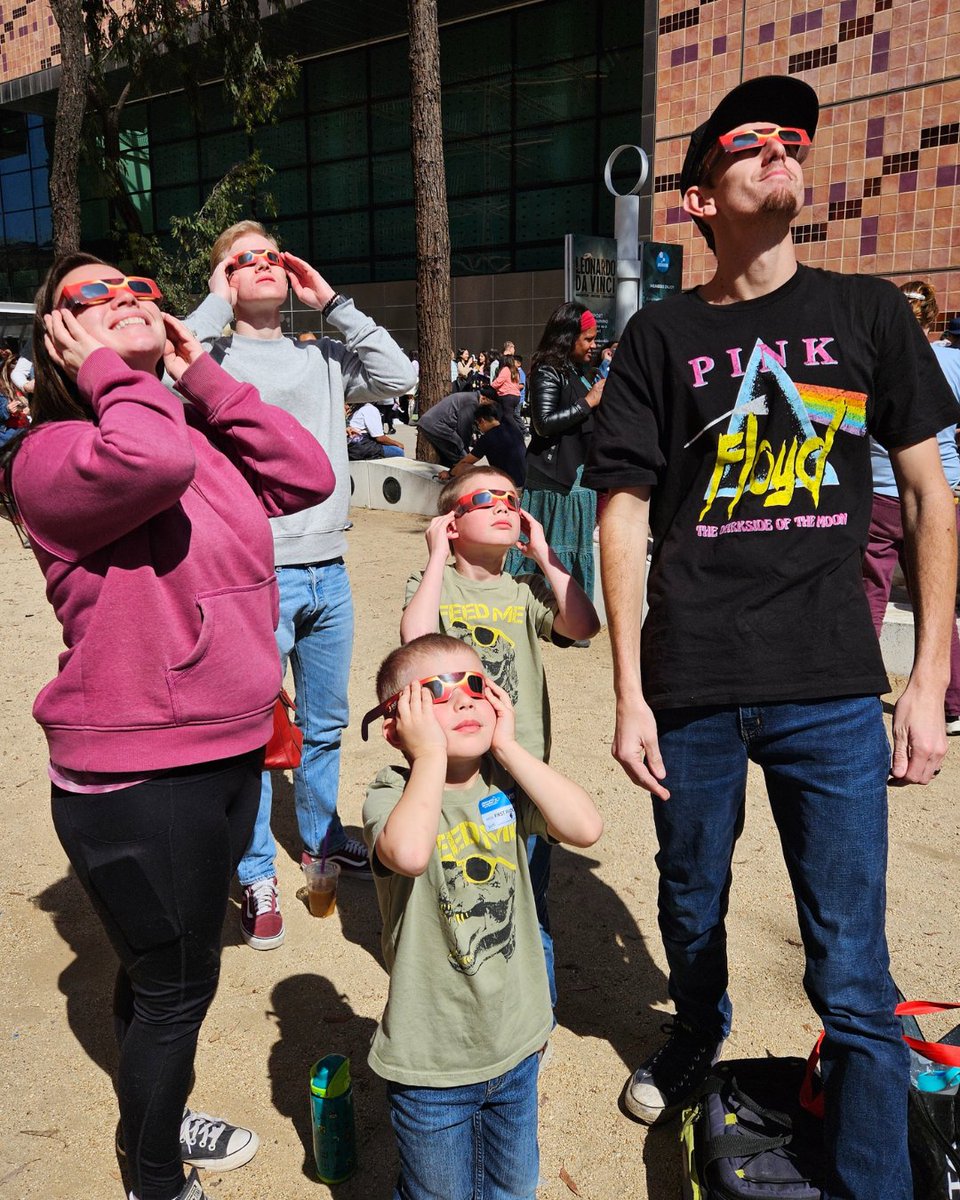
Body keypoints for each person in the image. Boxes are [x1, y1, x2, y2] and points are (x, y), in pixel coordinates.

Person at [582, 75, 959, 1200]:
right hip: (691, 680)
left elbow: (931, 497)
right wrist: (628, 691)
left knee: (853, 966)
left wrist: (928, 672)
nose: (779, 153)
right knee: (689, 900)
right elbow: (623, 512)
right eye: (747, 145)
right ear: (696, 199)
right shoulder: (661, 335)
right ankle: (697, 1029)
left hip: (830, 685)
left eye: (792, 141)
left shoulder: (869, 315)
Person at [3, 253, 334, 1200]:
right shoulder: (51, 455)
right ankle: (154, 1174)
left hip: (225, 755)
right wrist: (112, 375)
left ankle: (151, 1110)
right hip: (142, 779)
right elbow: (150, 461)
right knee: (180, 991)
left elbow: (305, 472)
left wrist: (200, 374)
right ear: (57, 340)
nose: (131, 300)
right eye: (95, 298)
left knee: (164, 982)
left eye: (141, 288)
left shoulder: (188, 424)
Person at [184, 220, 417, 950]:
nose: (261, 266)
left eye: (270, 257)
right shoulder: (207, 355)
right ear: (222, 278)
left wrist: (333, 301)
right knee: (254, 732)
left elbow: (402, 380)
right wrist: (213, 305)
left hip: (330, 568)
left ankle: (320, 842)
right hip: (253, 570)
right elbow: (151, 376)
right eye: (241, 261)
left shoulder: (323, 355)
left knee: (323, 725)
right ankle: (255, 873)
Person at [361, 634, 602, 1200]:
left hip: (517, 1043)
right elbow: (410, 853)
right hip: (434, 1066)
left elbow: (585, 828)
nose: (465, 699)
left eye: (475, 684)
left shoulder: (506, 787)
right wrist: (429, 758)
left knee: (514, 1188)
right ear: (396, 725)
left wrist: (511, 748)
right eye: (436, 692)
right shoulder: (389, 793)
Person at [401, 469, 600, 1004]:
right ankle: (473, 995)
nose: (504, 506)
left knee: (530, 898)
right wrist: (436, 558)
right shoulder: (433, 586)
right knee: (466, 892)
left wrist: (544, 556)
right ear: (451, 522)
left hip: (519, 771)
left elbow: (583, 626)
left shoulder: (525, 589)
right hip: (456, 775)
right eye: (485, 499)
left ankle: (537, 1013)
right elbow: (415, 642)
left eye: (513, 500)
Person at [862, 281, 960, 734]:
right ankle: (953, 700)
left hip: (880, 493)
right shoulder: (953, 362)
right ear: (934, 316)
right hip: (945, 494)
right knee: (936, 601)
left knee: (869, 596)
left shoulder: (878, 356)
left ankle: (857, 691)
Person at [505, 304, 603, 601]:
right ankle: (533, 604)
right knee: (545, 547)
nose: (593, 345)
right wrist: (589, 401)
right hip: (555, 480)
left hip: (578, 477)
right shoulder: (547, 371)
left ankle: (571, 613)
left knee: (573, 547)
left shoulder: (578, 371)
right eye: (587, 339)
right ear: (567, 338)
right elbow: (543, 424)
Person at [437, 403, 526, 487]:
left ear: (482, 421)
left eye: (477, 424)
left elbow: (465, 462)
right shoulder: (513, 429)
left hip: (506, 482)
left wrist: (449, 473)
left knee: (462, 467)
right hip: (524, 480)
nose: (478, 428)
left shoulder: (487, 438)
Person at [415, 386, 488, 468]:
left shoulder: (469, 397)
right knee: (463, 461)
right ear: (484, 398)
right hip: (438, 426)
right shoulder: (472, 401)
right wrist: (466, 452)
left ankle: (448, 476)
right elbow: (464, 429)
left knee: (447, 459)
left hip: (429, 424)